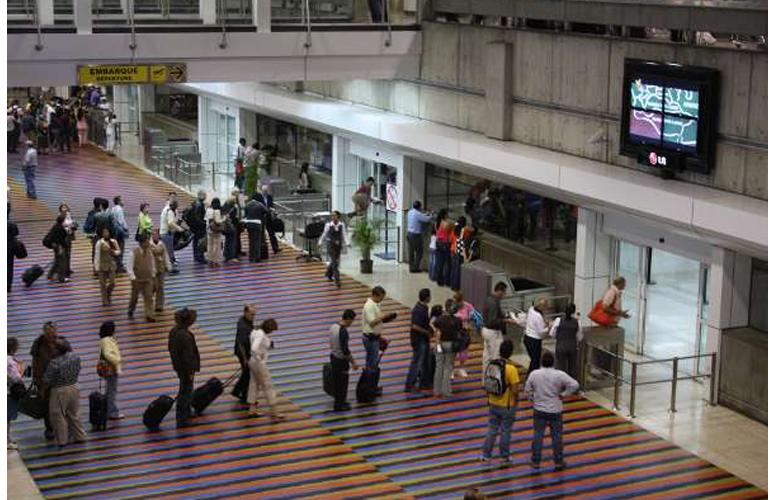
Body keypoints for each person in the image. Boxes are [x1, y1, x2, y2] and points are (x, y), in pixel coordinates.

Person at [525, 350, 579, 470]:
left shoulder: (534, 374)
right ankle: (559, 461)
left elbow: (527, 389)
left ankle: (535, 461)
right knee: (557, 436)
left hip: (539, 410)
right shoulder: (559, 374)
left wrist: (532, 398)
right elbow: (575, 384)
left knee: (538, 435)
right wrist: (564, 394)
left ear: (541, 362)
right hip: (555, 410)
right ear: (553, 362)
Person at [481, 340, 521, 463]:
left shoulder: (492, 364)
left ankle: (486, 454)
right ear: (511, 353)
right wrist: (517, 401)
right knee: (505, 431)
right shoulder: (511, 369)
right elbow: (515, 390)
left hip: (493, 402)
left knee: (492, 428)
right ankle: (504, 456)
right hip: (507, 405)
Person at [43, 338, 88, 447]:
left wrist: (42, 391)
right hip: (75, 386)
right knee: (74, 413)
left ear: (58, 350)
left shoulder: (54, 362)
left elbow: (46, 380)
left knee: (57, 415)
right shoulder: (76, 358)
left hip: (59, 390)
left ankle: (62, 440)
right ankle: (80, 436)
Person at [31, 322, 64, 440]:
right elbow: (34, 361)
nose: (51, 336)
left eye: (53, 333)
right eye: (48, 333)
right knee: (46, 405)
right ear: (44, 332)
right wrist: (35, 379)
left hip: (59, 380)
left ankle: (61, 427)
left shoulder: (61, 342)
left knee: (60, 404)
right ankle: (49, 429)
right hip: (43, 380)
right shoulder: (38, 343)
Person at [168, 308, 200, 428]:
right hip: (186, 369)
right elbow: (188, 357)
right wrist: (190, 371)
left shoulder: (173, 331)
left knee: (185, 389)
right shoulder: (185, 335)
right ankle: (182, 418)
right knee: (186, 391)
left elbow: (170, 348)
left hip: (178, 366)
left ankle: (186, 412)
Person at [248, 319, 285, 419]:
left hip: (252, 362)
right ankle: (274, 412)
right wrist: (259, 356)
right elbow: (254, 349)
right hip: (259, 364)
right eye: (272, 330)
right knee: (268, 386)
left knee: (254, 385)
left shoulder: (255, 331)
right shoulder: (261, 335)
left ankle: (252, 410)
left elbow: (259, 346)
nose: (272, 332)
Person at [481, 282, 518, 374]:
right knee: (495, 357)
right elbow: (493, 320)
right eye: (504, 292)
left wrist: (504, 315)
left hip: (485, 330)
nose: (504, 295)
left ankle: (485, 381)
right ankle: (495, 381)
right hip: (493, 332)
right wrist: (506, 320)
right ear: (500, 291)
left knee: (487, 357)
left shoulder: (489, 298)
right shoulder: (494, 302)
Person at [330, 309, 359, 411]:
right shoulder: (343, 332)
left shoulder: (334, 326)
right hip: (340, 360)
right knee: (342, 383)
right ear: (348, 319)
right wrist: (353, 362)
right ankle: (339, 405)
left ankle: (339, 401)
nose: (352, 323)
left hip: (333, 356)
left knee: (336, 381)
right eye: (352, 320)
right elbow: (345, 350)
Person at [405, 288, 433, 393]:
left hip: (423, 339)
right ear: (427, 298)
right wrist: (427, 332)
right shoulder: (419, 309)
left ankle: (425, 384)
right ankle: (409, 385)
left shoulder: (424, 307)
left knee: (426, 362)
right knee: (417, 363)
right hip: (418, 340)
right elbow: (415, 326)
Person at [433, 299, 461, 398]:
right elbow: (459, 334)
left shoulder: (439, 319)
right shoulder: (458, 321)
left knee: (439, 366)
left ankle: (437, 391)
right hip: (450, 345)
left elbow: (436, 330)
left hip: (439, 344)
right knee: (448, 367)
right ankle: (446, 391)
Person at [127, 234, 157, 321]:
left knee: (149, 297)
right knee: (134, 298)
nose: (149, 243)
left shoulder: (149, 251)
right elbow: (129, 267)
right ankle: (130, 310)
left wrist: (154, 276)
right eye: (147, 241)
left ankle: (149, 315)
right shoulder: (133, 252)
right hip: (137, 280)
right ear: (142, 243)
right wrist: (133, 278)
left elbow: (152, 264)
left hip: (148, 279)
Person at [98, 321, 124, 420]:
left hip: (109, 369)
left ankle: (108, 409)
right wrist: (117, 360)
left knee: (110, 390)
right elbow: (107, 354)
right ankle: (112, 412)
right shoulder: (107, 340)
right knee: (111, 391)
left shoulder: (105, 339)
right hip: (111, 369)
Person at [550, 304, 583, 380]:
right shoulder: (577, 322)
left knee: (561, 367)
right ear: (574, 311)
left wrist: (560, 337)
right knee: (572, 367)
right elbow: (580, 337)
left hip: (560, 346)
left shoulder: (558, 320)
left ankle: (561, 385)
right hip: (572, 347)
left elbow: (552, 334)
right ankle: (572, 385)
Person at [319, 210, 350, 288]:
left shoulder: (341, 225)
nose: (333, 217)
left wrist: (347, 243)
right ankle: (337, 280)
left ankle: (328, 274)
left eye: (334, 215)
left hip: (338, 246)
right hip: (330, 246)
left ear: (338, 217)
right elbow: (324, 234)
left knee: (334, 261)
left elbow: (344, 234)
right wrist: (320, 242)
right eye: (332, 215)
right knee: (335, 263)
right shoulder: (328, 225)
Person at [361, 286, 390, 371]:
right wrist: (382, 317)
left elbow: (377, 320)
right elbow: (372, 323)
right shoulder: (369, 306)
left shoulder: (376, 304)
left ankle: (369, 380)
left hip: (374, 337)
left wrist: (386, 318)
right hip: (370, 339)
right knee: (372, 363)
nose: (382, 300)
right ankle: (369, 381)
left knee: (371, 361)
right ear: (375, 295)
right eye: (381, 298)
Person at [232, 305, 255, 404]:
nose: (253, 316)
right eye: (251, 314)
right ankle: (245, 398)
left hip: (246, 352)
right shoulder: (242, 326)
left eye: (254, 314)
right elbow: (241, 344)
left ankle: (237, 391)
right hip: (243, 353)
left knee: (246, 373)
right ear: (245, 313)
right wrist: (245, 358)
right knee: (247, 375)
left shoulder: (246, 321)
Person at [94, 227, 120, 306]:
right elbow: (97, 255)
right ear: (102, 234)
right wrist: (96, 267)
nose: (106, 234)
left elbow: (119, 251)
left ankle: (108, 293)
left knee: (112, 283)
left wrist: (114, 252)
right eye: (104, 232)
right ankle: (104, 301)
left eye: (107, 232)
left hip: (111, 264)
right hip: (102, 265)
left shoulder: (113, 241)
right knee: (102, 284)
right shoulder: (99, 243)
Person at [452, 291, 475, 379]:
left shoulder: (468, 306)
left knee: (463, 352)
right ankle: (451, 369)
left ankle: (461, 368)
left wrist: (470, 326)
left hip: (464, 333)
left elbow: (474, 318)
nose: (457, 304)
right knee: (453, 352)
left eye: (458, 302)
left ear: (461, 301)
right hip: (454, 332)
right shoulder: (452, 307)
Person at [524, 298, 550, 378]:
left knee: (534, 361)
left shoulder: (531, 309)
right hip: (534, 341)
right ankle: (530, 379)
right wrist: (549, 326)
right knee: (535, 362)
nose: (546, 309)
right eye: (546, 307)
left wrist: (544, 322)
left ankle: (533, 378)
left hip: (527, 338)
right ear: (542, 307)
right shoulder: (538, 316)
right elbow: (541, 332)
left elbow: (535, 322)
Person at [407, 201, 433, 273]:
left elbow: (420, 216)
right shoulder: (418, 214)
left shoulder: (410, 212)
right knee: (419, 251)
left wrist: (425, 214)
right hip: (415, 235)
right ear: (419, 207)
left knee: (411, 252)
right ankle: (415, 268)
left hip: (409, 234)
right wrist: (431, 214)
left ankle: (411, 268)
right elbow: (427, 219)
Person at [150, 229, 172, 314]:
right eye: (153, 234)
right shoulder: (149, 245)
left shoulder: (162, 244)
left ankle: (159, 305)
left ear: (159, 235)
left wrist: (168, 266)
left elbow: (165, 255)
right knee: (153, 287)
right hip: (152, 269)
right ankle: (149, 303)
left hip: (161, 268)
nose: (154, 236)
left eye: (156, 234)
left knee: (161, 287)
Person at [7, 337, 23, 450]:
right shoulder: (10, 362)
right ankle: (6, 442)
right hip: (8, 392)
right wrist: (21, 367)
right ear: (12, 350)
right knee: (6, 417)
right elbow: (16, 378)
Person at [243, 193, 269, 263]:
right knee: (257, 241)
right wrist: (261, 216)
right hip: (257, 224)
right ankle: (257, 257)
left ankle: (251, 257)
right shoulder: (259, 204)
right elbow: (266, 211)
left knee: (251, 241)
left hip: (249, 224)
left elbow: (245, 214)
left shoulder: (247, 204)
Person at [45, 214, 70, 283]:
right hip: (59, 247)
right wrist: (65, 247)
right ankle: (61, 278)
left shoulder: (56, 226)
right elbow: (61, 240)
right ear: (63, 221)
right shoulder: (60, 228)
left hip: (55, 246)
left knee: (57, 261)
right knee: (62, 262)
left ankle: (50, 275)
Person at [450, 216, 472, 291]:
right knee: (458, 270)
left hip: (453, 249)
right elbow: (471, 231)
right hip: (460, 251)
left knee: (454, 268)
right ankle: (456, 286)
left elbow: (451, 238)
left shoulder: (455, 228)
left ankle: (452, 284)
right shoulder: (465, 230)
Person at [160, 200, 183, 273]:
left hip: (164, 232)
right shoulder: (170, 212)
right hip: (167, 233)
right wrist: (179, 229)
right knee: (169, 251)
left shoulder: (167, 210)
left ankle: (166, 266)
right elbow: (170, 223)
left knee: (167, 251)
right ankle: (170, 268)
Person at [258, 184, 281, 254]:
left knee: (272, 233)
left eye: (266, 191)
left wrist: (272, 210)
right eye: (264, 191)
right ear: (261, 191)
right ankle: (261, 249)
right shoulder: (258, 197)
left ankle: (275, 248)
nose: (265, 192)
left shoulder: (270, 197)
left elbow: (271, 205)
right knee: (261, 234)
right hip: (261, 217)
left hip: (268, 217)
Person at [433, 209, 453, 287]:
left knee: (439, 262)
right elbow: (452, 226)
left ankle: (439, 280)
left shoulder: (436, 223)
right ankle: (447, 281)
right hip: (445, 243)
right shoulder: (446, 224)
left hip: (438, 242)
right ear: (445, 215)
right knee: (448, 263)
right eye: (447, 214)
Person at [188, 190, 209, 265]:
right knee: (200, 242)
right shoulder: (199, 205)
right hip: (199, 228)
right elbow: (198, 218)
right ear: (201, 195)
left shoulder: (195, 203)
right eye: (205, 195)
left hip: (194, 227)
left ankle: (196, 256)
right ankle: (200, 257)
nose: (206, 197)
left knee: (196, 242)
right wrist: (205, 223)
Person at [222, 189, 242, 263]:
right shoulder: (234, 208)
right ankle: (232, 257)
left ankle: (226, 256)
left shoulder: (226, 205)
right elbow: (235, 218)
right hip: (232, 227)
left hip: (226, 226)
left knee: (227, 241)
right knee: (232, 242)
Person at [110, 196, 128, 273]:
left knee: (116, 248)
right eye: (122, 200)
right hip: (120, 231)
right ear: (119, 201)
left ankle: (116, 265)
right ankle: (120, 266)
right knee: (121, 248)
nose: (123, 201)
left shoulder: (112, 209)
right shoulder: (119, 209)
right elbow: (121, 222)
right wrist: (125, 231)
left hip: (114, 232)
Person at [206, 197, 225, 268]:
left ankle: (210, 261)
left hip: (209, 230)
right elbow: (217, 221)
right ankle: (215, 262)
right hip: (216, 231)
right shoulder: (217, 211)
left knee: (210, 246)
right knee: (216, 247)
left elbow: (207, 219)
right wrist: (223, 219)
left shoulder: (209, 210)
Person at [59, 203, 76, 279]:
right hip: (63, 236)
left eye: (65, 207)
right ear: (60, 208)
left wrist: (71, 225)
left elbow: (71, 223)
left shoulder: (68, 214)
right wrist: (69, 225)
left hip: (69, 235)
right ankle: (65, 270)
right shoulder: (60, 216)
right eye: (63, 207)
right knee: (65, 254)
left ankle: (68, 269)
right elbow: (63, 225)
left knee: (69, 253)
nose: (64, 208)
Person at [8, 204, 20, 292]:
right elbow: (16, 233)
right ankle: (8, 285)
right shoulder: (12, 224)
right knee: (9, 266)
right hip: (10, 248)